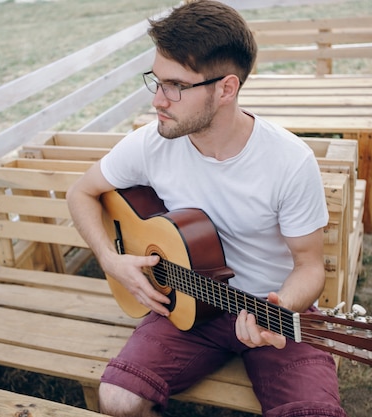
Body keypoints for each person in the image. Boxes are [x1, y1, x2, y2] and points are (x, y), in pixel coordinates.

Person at [67, 1, 347, 416]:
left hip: (271, 310)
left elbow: (309, 267)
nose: (158, 100)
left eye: (175, 86)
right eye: (156, 81)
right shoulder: (153, 142)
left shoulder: (289, 161)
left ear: (226, 89)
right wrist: (110, 259)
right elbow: (81, 192)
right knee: (117, 400)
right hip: (184, 305)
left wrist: (279, 308)